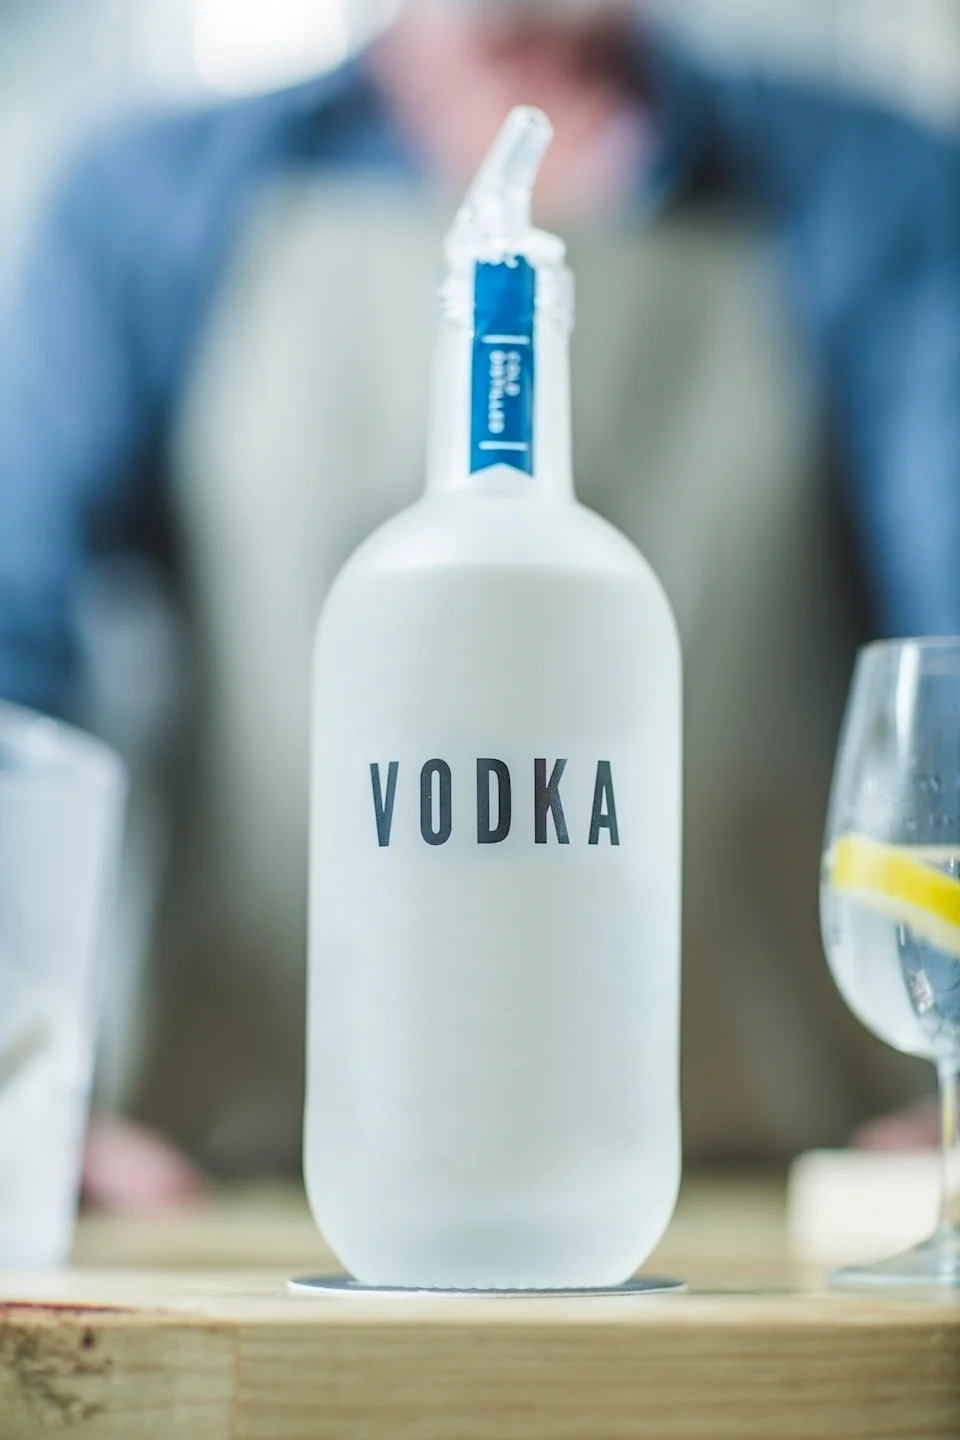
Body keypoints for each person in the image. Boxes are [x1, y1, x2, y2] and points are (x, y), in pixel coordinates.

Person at [0, 1, 954, 1203]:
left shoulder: (878, 194)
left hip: (780, 1194)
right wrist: (18, 1064)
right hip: (246, 1186)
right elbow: (11, 648)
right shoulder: (148, 200)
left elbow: (949, 656)